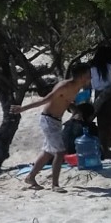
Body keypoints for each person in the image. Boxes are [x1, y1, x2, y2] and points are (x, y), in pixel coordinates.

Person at [25, 59, 92, 192]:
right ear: (82, 75)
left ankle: (30, 177)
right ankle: (55, 185)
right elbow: (45, 100)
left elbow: (65, 101)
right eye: (89, 74)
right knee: (60, 152)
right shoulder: (64, 86)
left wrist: (76, 110)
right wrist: (22, 109)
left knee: (47, 152)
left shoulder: (77, 88)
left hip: (56, 121)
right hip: (48, 120)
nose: (90, 77)